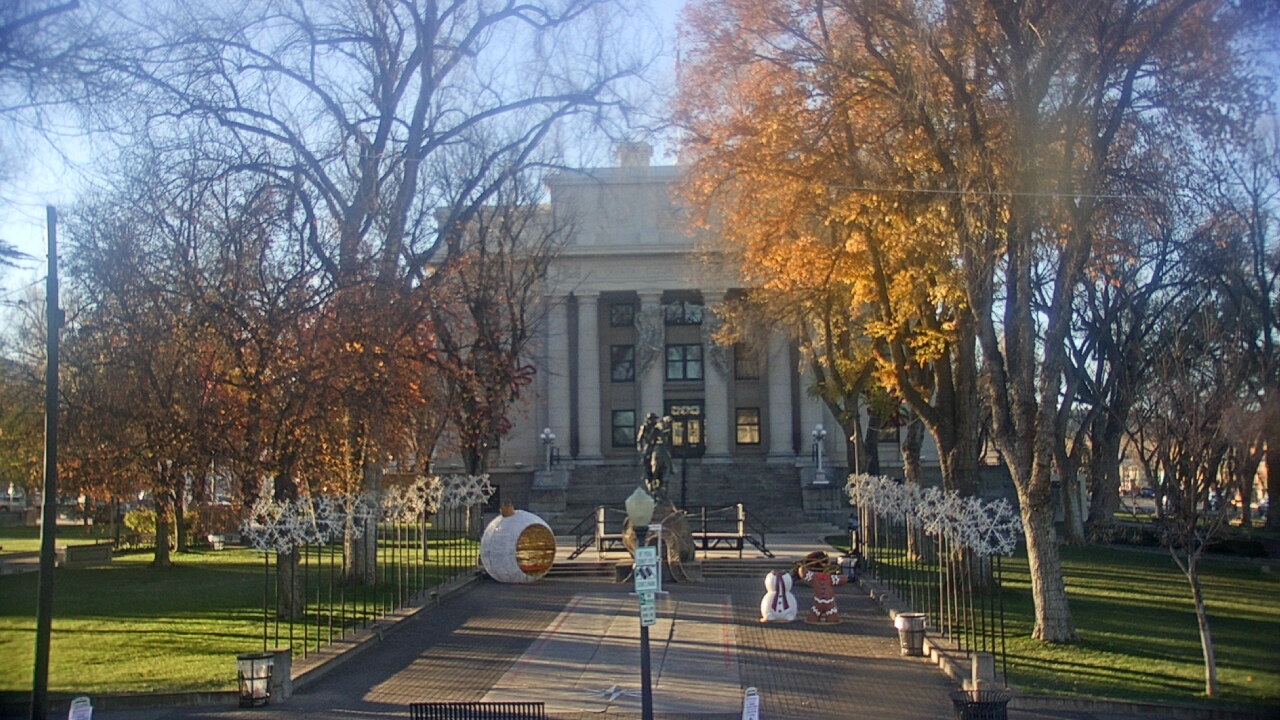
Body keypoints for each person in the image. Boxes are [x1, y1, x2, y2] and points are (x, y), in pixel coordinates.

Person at [636, 413, 672, 502]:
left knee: (666, 456)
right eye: (652, 419)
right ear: (649, 420)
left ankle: (670, 468)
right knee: (646, 458)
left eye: (655, 419)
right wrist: (641, 451)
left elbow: (662, 438)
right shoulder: (644, 427)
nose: (654, 421)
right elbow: (639, 440)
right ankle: (647, 472)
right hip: (648, 446)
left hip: (655, 446)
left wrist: (665, 434)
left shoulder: (656, 429)